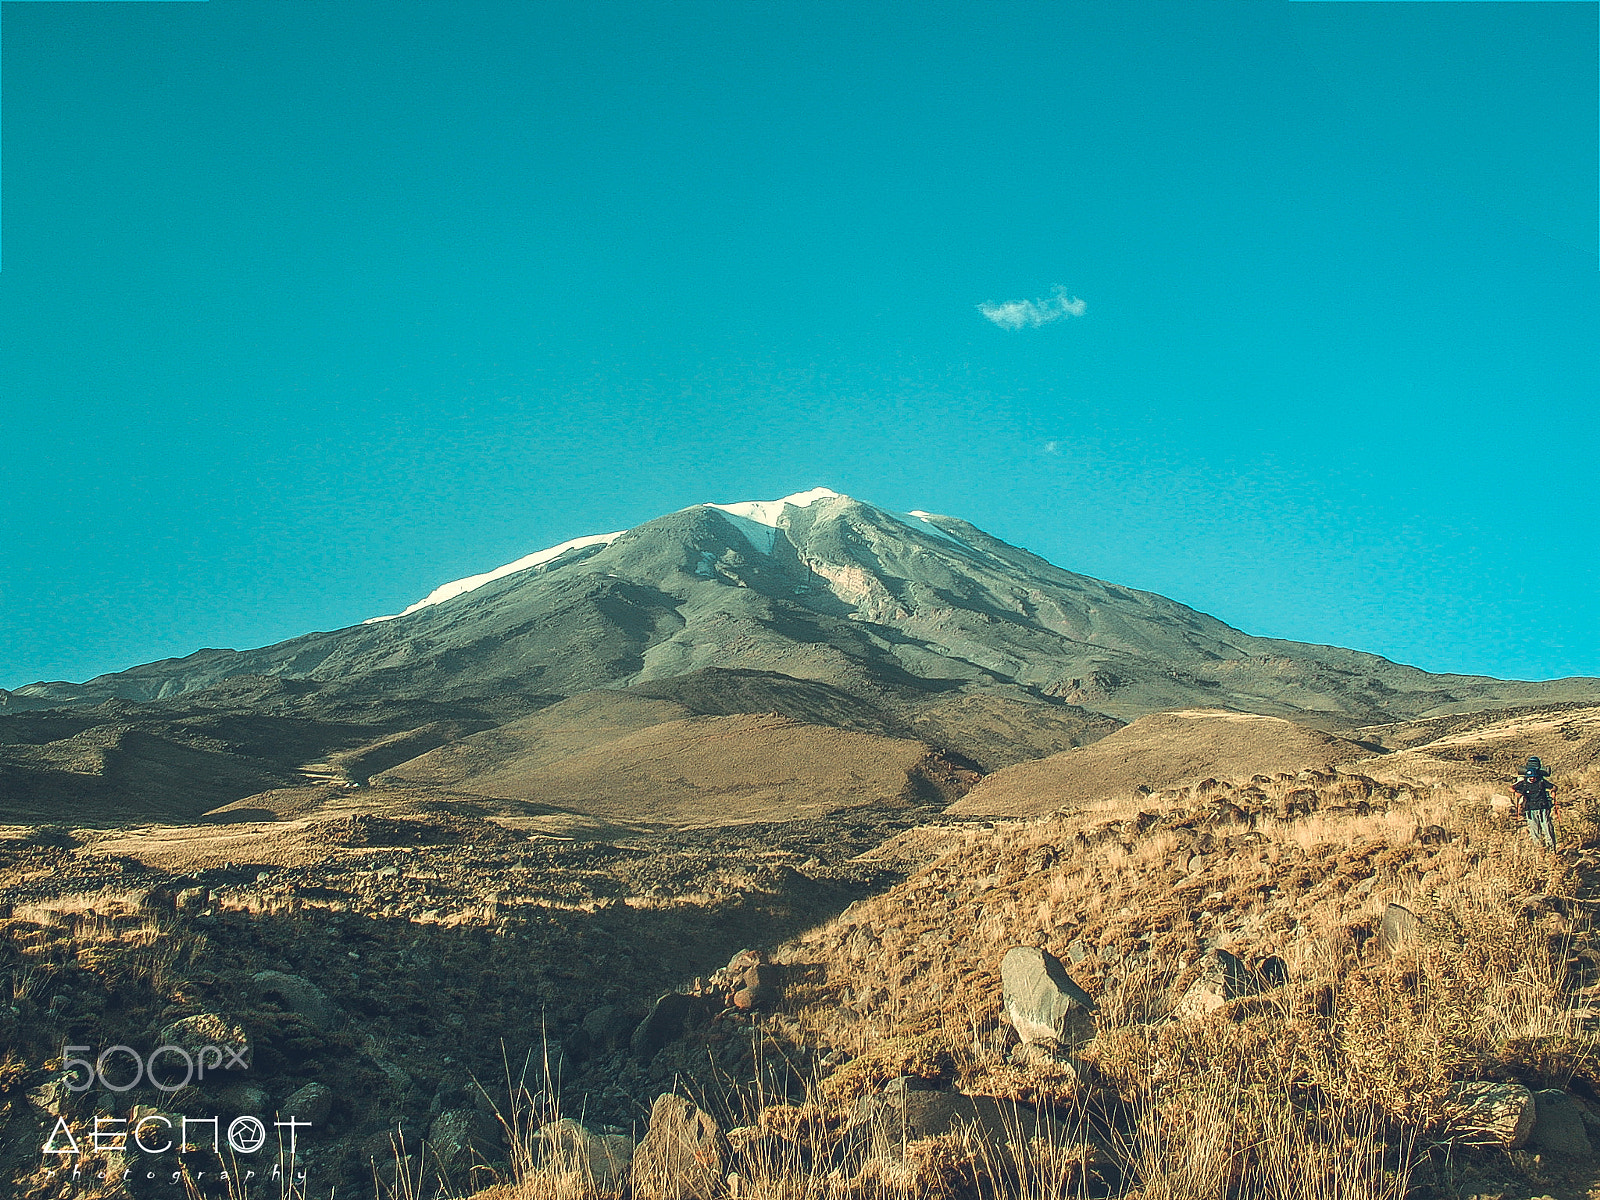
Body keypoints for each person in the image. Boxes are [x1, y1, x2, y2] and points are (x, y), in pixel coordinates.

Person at [1512, 755, 1557, 851]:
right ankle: (1539, 850)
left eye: (1533, 777)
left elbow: (1553, 786)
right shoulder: (1524, 783)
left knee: (1547, 828)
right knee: (1534, 830)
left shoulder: (1541, 781)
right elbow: (1512, 788)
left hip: (1543, 808)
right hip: (1530, 809)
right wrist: (1516, 793)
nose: (1532, 778)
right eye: (1530, 777)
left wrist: (1553, 791)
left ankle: (1552, 850)